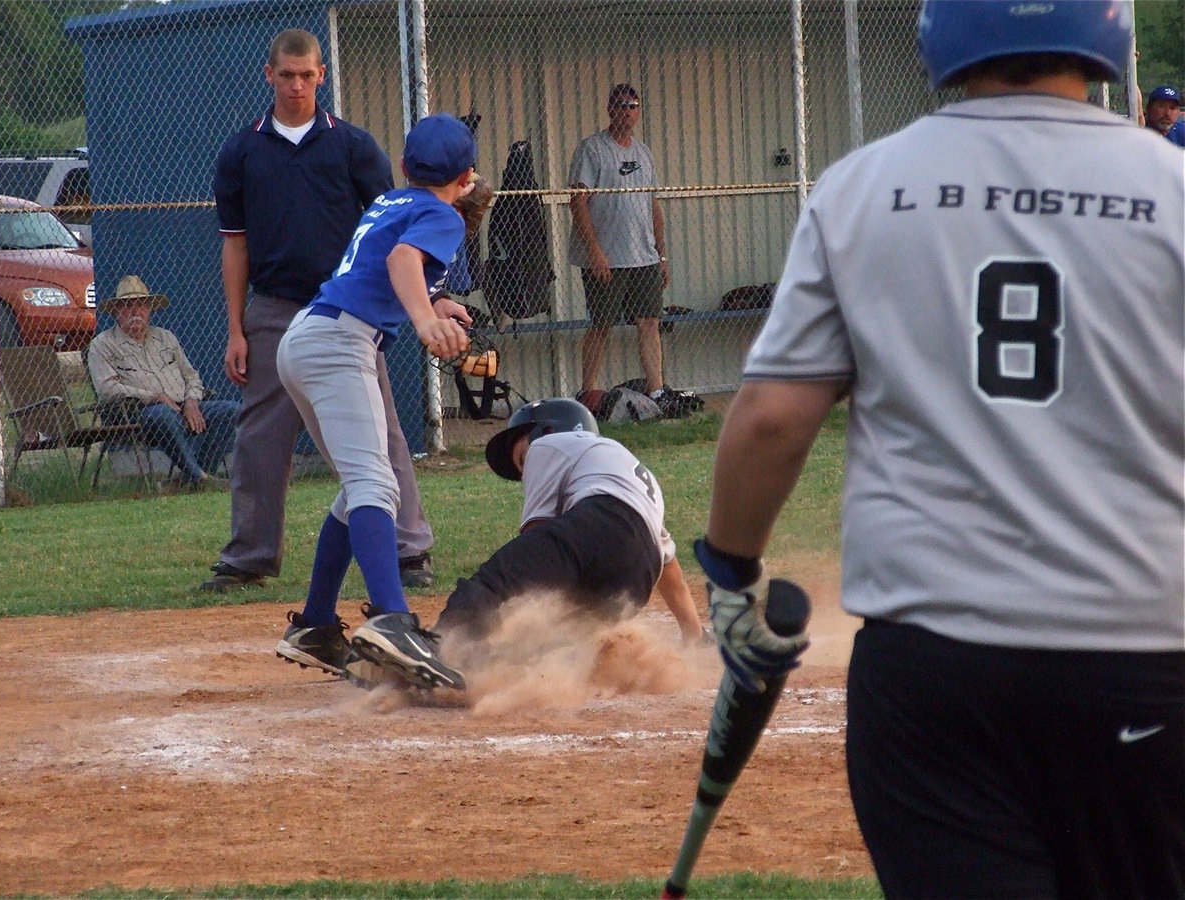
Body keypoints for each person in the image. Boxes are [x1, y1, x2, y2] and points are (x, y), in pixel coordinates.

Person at [697, 2, 1184, 897]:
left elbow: (771, 416)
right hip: (1143, 654)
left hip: (933, 665)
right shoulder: (1175, 185)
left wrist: (731, 574)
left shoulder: (866, 185)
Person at [206, 28, 437, 593]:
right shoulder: (242, 151)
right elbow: (234, 244)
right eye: (286, 75)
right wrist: (237, 327)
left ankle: (409, 550)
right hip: (275, 308)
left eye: (307, 75)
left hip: (344, 310)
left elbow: (388, 232)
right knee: (260, 434)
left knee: (381, 430)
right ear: (269, 75)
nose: (296, 86)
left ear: (321, 76)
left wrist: (395, 310)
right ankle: (249, 556)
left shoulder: (353, 147)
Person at [273, 113, 478, 690]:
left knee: (359, 485)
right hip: (340, 345)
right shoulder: (443, 213)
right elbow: (400, 263)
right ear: (465, 176)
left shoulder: (391, 200)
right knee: (376, 485)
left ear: (408, 166)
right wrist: (423, 320)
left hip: (308, 337)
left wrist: (436, 307)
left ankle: (315, 625)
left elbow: (379, 267)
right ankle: (393, 620)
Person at [429, 397, 704, 644]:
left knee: (495, 583)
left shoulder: (547, 444)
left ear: (546, 430)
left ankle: (440, 648)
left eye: (523, 459)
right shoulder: (626, 469)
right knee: (551, 645)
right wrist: (694, 635)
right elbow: (669, 567)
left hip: (597, 526)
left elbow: (535, 541)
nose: (527, 474)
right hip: (636, 577)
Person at [568, 84, 688, 416]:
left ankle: (657, 390)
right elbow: (577, 202)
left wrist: (661, 254)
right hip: (606, 258)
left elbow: (653, 205)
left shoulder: (644, 153)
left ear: (639, 111)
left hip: (643, 256)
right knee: (602, 322)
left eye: (633, 106)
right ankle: (588, 392)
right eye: (620, 105)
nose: (627, 111)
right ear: (610, 109)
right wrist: (595, 252)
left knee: (649, 321)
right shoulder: (592, 150)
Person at [88, 274, 238, 490]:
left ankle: (191, 479)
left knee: (231, 411)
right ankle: (199, 478)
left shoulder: (166, 338)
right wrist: (154, 397)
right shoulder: (103, 345)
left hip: (184, 406)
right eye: (127, 306)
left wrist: (192, 401)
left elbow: (191, 375)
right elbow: (107, 389)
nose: (135, 312)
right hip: (139, 412)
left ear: (149, 310)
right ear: (116, 312)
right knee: (163, 415)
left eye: (141, 305)